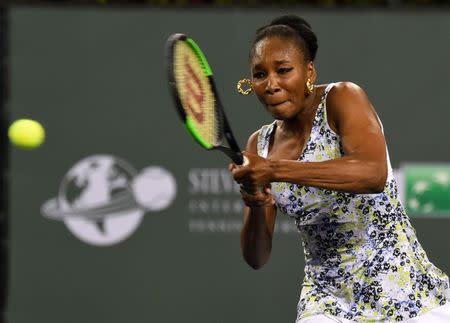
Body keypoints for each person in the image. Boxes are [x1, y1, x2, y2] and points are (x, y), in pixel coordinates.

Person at [230, 15, 450, 322]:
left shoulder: (342, 97)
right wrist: (257, 202)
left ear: (309, 72)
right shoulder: (260, 144)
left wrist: (274, 169)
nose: (270, 84)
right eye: (259, 75)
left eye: (283, 70)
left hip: (407, 291)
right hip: (327, 302)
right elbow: (256, 257)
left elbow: (373, 174)